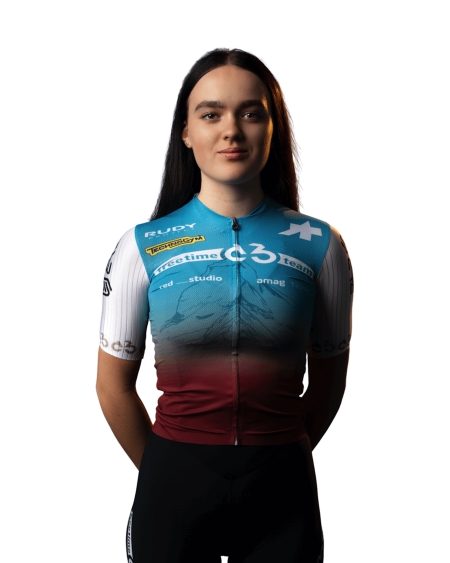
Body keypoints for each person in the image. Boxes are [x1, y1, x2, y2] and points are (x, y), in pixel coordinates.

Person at [96, 48, 353, 563]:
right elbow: (112, 386)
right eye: (211, 114)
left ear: (273, 129)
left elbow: (329, 382)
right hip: (174, 481)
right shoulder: (141, 246)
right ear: (186, 132)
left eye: (251, 113)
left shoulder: (321, 245)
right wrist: (167, 470)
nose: (231, 130)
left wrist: (278, 453)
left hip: (282, 487)